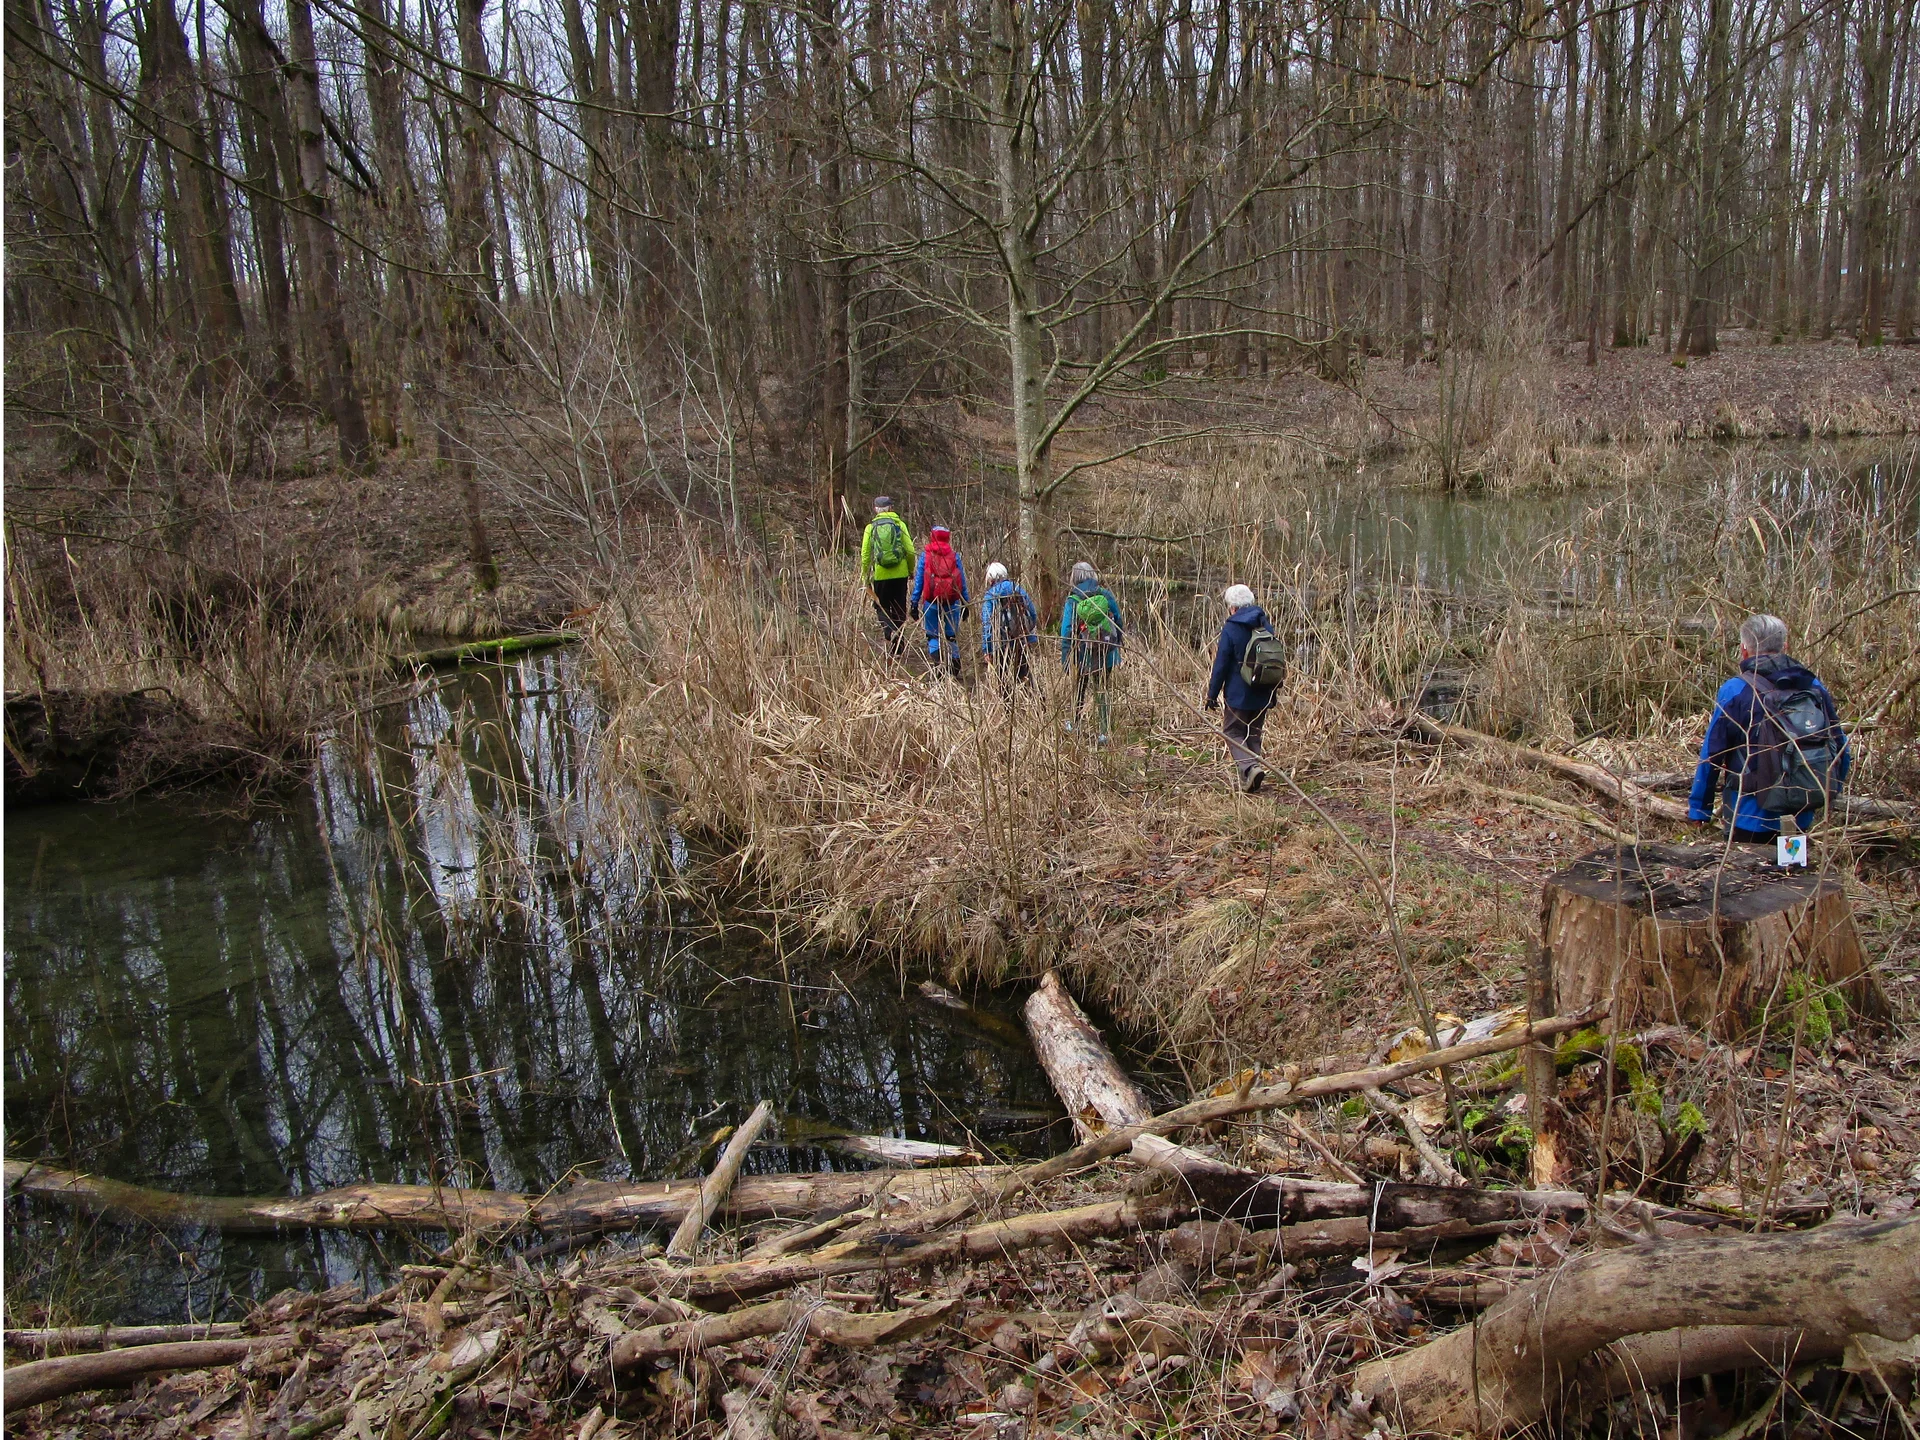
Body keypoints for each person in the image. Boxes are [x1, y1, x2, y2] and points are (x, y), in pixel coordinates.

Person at [1688, 613, 1850, 842]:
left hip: (1748, 816)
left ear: (1744, 649)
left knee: (1746, 877)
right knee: (1793, 876)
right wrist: (1827, 792)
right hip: (1801, 813)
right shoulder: (1812, 686)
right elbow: (1841, 747)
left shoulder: (1735, 690)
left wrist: (1700, 809)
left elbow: (1712, 755)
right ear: (1785, 646)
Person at [1206, 583, 1287, 792]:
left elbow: (1221, 663)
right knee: (1253, 733)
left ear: (1232, 607)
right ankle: (1251, 777)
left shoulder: (1232, 627)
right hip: (1264, 690)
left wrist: (1212, 694)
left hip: (1239, 694)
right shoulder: (1264, 624)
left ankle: (1249, 767)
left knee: (1232, 731)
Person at [1059, 560, 1124, 742]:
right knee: (1102, 690)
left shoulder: (1073, 599)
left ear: (1075, 577)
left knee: (1079, 689)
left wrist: (1066, 659)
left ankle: (1074, 724)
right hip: (1106, 655)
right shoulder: (1105, 595)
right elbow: (1118, 623)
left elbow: (1066, 631)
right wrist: (1116, 648)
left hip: (1082, 656)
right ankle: (1104, 732)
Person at [910, 525, 970, 679]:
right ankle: (955, 664)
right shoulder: (954, 556)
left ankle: (938, 665)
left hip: (931, 601)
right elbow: (961, 581)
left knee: (932, 635)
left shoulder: (926, 556)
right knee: (951, 636)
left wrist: (914, 602)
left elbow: (919, 581)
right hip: (952, 601)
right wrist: (966, 603)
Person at [860, 497, 915, 654]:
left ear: (875, 509)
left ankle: (888, 632)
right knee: (899, 608)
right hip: (901, 574)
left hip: (880, 575)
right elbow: (910, 551)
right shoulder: (900, 524)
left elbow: (865, 555)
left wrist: (866, 576)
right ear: (891, 508)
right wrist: (910, 570)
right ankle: (899, 645)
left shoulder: (870, 528)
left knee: (881, 606)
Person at [980, 562, 1038, 692]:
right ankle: (1038, 704)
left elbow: (987, 623)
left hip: (1001, 644)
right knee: (1025, 675)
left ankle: (1007, 708)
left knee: (1003, 679)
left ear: (990, 579)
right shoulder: (1018, 589)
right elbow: (1032, 613)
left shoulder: (991, 595)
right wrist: (1030, 638)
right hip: (1021, 640)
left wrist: (988, 649)